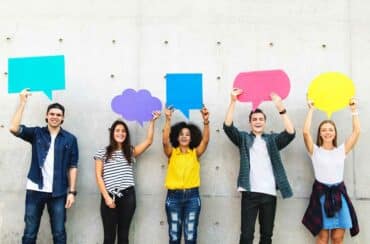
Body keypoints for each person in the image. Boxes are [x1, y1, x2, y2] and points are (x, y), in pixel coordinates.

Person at [223, 88, 295, 244]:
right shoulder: (243, 139)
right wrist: (233, 101)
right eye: (254, 119)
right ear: (250, 122)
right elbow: (228, 127)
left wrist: (280, 107)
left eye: (260, 119)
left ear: (265, 122)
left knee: (266, 236)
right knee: (247, 235)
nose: (257, 121)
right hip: (250, 193)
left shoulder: (272, 140)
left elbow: (290, 133)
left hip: (269, 194)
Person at [9, 88, 79, 244]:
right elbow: (13, 128)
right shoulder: (36, 133)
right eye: (52, 114)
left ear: (63, 118)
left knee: (59, 234)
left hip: (59, 192)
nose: (55, 117)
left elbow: (73, 166)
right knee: (29, 233)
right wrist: (22, 103)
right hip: (35, 190)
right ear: (46, 116)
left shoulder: (70, 139)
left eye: (58, 115)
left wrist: (72, 192)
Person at [94, 111, 160, 244]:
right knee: (109, 237)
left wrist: (152, 121)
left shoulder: (130, 152)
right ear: (112, 133)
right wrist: (106, 198)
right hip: (109, 196)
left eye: (123, 131)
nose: (120, 133)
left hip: (128, 197)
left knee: (123, 237)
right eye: (117, 130)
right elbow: (98, 176)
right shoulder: (102, 152)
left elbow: (148, 141)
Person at [302, 98, 360, 244]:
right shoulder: (314, 151)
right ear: (320, 134)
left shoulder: (341, 150)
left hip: (339, 196)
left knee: (337, 238)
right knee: (322, 239)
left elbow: (357, 132)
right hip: (321, 196)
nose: (327, 132)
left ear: (335, 133)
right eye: (324, 130)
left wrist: (354, 110)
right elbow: (305, 132)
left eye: (330, 130)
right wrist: (311, 110)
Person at [162, 106, 210, 244]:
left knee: (190, 237)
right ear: (177, 137)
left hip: (192, 198)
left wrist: (206, 121)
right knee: (174, 236)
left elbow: (205, 141)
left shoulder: (195, 153)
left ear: (192, 137)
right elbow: (165, 141)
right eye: (181, 134)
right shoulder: (172, 153)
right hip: (173, 197)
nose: (184, 136)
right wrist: (168, 119)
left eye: (187, 134)